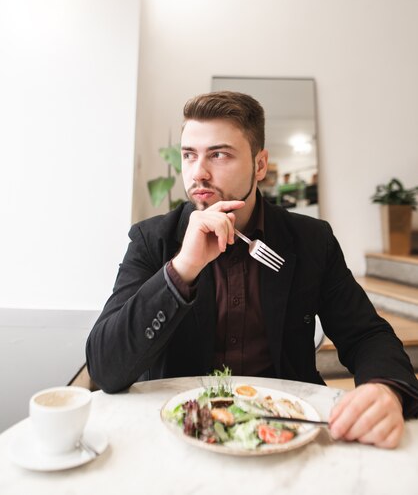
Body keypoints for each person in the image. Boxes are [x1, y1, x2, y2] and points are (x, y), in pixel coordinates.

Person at [86, 91, 418, 449]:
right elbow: (106, 367)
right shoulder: (153, 240)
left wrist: (385, 389)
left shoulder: (310, 240)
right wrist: (183, 268)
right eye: (189, 155)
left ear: (260, 165)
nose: (198, 172)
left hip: (286, 429)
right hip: (181, 432)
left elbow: (367, 336)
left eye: (219, 154)